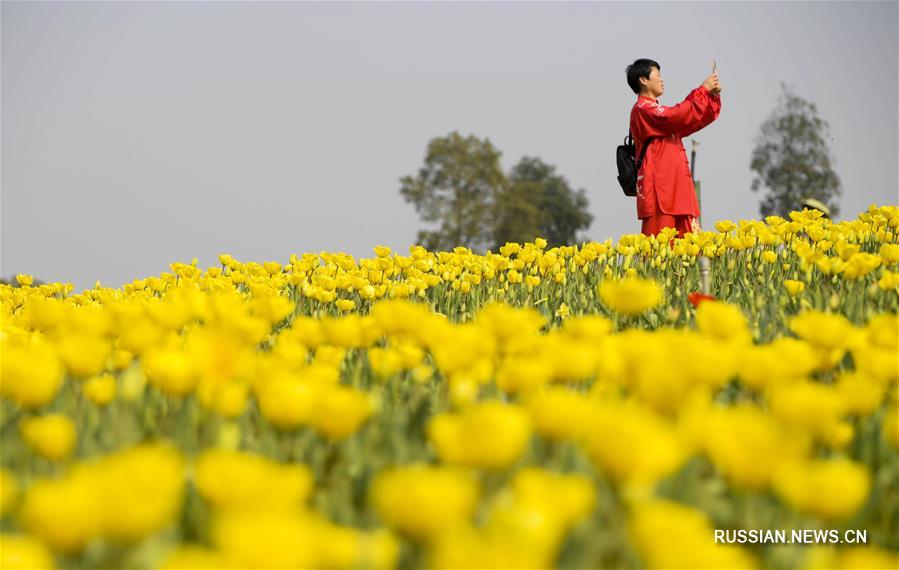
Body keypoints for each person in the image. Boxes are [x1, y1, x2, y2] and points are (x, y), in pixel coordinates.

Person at [626, 59, 722, 238]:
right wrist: (702, 90)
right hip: (660, 194)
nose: (662, 80)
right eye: (658, 75)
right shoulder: (642, 109)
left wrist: (712, 97)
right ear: (643, 80)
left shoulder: (658, 113)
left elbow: (692, 118)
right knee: (660, 253)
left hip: (678, 192)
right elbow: (675, 116)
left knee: (690, 251)